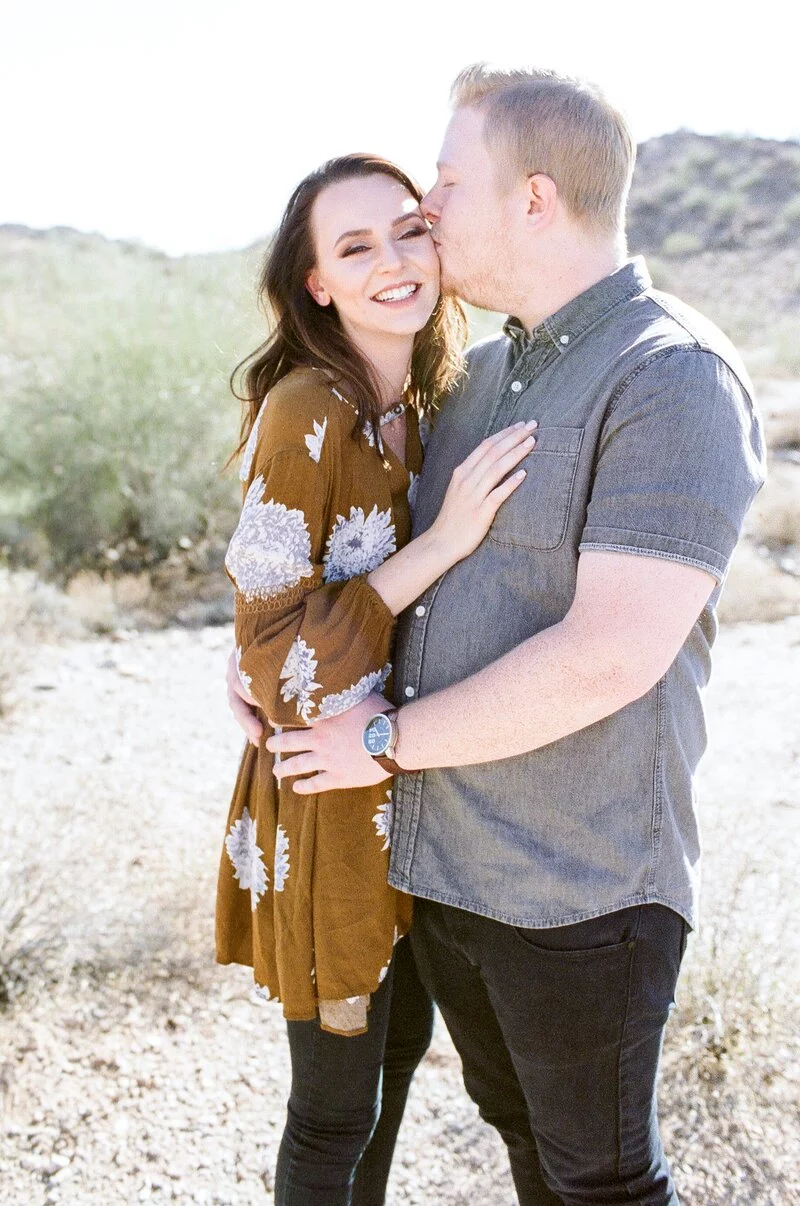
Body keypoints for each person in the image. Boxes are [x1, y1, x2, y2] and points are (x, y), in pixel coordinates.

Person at [242, 67, 767, 1203]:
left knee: (598, 1181)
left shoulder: (665, 375)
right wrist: (260, 656)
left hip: (575, 891)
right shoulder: (474, 377)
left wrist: (374, 746)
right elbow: (345, 554)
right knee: (525, 1146)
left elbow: (606, 658)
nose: (425, 210)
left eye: (442, 180)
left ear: (532, 199)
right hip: (446, 873)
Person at [215, 152, 536, 1206]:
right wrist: (437, 546)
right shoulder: (308, 406)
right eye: (354, 248)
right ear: (315, 284)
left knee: (390, 1077)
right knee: (332, 1110)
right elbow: (277, 649)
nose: (393, 261)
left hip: (416, 789)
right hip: (327, 801)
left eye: (408, 229)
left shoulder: (436, 398)